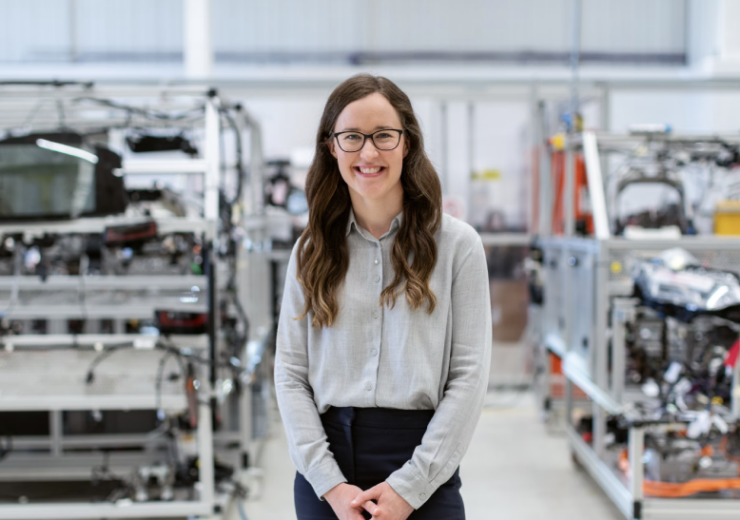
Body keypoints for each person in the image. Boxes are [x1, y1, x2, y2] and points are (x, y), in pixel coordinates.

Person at [274, 74, 492, 520]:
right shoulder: (311, 249)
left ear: (407, 143)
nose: (368, 153)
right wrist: (330, 484)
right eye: (352, 137)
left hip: (423, 461)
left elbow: (468, 376)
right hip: (327, 464)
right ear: (331, 146)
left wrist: (410, 487)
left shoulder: (457, 246)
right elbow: (290, 372)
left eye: (383, 136)